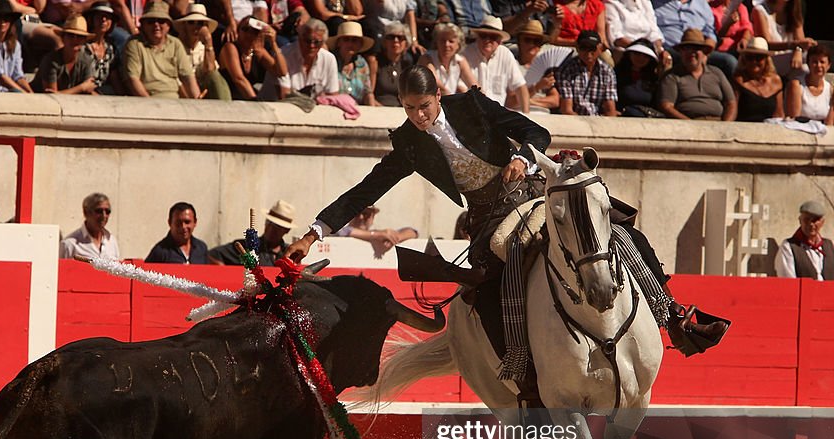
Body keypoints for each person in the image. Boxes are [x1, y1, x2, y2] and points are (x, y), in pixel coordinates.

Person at [285, 65, 725, 360]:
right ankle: (519, 367)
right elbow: (366, 189)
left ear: (438, 95)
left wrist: (526, 159)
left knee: (610, 226)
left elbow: (536, 129)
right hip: (489, 217)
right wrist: (313, 231)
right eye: (409, 109)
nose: (418, 116)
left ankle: (671, 311)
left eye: (424, 106)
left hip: (532, 190)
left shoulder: (472, 106)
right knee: (485, 289)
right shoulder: (408, 143)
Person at [124, 1, 200, 98]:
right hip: (147, 102)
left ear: (168, 25)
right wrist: (151, 104)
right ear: (143, 25)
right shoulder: (134, 44)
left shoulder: (175, 44)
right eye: (151, 21)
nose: (156, 25)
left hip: (175, 101)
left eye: (161, 21)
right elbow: (133, 80)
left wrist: (198, 101)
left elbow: (188, 78)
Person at [657, 28, 735, 121]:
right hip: (686, 127)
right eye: (687, 48)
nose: (691, 53)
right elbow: (667, 106)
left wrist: (726, 126)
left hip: (718, 124)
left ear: (703, 52)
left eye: (696, 48)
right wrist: (691, 125)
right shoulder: (672, 76)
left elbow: (731, 103)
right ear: (681, 52)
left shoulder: (717, 73)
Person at [462, 16, 528, 112]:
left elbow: (520, 87)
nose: (487, 40)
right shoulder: (466, 54)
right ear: (477, 37)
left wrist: (527, 114)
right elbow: (461, 89)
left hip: (497, 115)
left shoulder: (506, 54)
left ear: (500, 41)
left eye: (493, 37)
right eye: (483, 35)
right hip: (470, 112)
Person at [262, 18, 338, 100]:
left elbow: (332, 97)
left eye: (316, 42)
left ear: (323, 42)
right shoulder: (283, 55)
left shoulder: (329, 59)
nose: (312, 46)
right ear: (299, 38)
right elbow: (284, 96)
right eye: (308, 41)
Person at [219, 16, 287, 100]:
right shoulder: (230, 48)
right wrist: (256, 101)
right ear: (238, 32)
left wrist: (273, 43)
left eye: (254, 31)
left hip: (246, 100)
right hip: (227, 99)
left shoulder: (258, 51)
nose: (249, 34)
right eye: (245, 29)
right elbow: (239, 79)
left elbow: (281, 72)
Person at [210, 199, 295, 265]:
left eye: (277, 226)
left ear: (287, 230)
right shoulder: (246, 246)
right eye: (269, 223)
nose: (271, 228)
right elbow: (213, 254)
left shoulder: (291, 252)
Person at [175, 3, 232, 100]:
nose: (195, 26)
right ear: (184, 25)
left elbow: (211, 72)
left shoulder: (203, 48)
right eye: (191, 22)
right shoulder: (175, 46)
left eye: (200, 23)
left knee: (215, 77)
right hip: (181, 93)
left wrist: (208, 42)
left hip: (203, 94)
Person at [515, 19, 571, 114]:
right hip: (518, 114)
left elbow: (555, 100)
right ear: (519, 42)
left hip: (543, 115)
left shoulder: (543, 66)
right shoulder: (513, 65)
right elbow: (511, 101)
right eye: (527, 40)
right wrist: (537, 87)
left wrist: (528, 101)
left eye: (537, 41)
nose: (532, 45)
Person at [557, 29, 618, 116]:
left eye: (592, 48)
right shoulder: (566, 70)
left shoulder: (607, 72)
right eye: (584, 48)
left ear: (600, 49)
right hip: (574, 121)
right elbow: (567, 109)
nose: (588, 53)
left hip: (599, 121)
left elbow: (610, 109)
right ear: (577, 48)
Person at [36, 15, 97, 93]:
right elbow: (52, 95)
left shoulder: (86, 60)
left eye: (80, 36)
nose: (75, 40)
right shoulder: (51, 60)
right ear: (63, 38)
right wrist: (81, 88)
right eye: (70, 35)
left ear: (84, 41)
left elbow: (88, 89)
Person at [775, 201, 831, 279]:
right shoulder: (789, 247)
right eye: (807, 219)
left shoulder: (829, 246)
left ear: (822, 222)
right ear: (800, 220)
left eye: (815, 220)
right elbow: (788, 282)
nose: (811, 224)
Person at [335, 205, 419, 258]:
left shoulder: (381, 235)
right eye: (356, 213)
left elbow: (413, 232)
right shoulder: (338, 232)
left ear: (373, 217)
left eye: (366, 214)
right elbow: (343, 231)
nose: (360, 217)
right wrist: (375, 235)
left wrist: (396, 237)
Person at [733, 37, 783, 122]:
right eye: (750, 57)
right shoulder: (738, 80)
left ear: (766, 60)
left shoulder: (776, 81)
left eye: (759, 57)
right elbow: (733, 111)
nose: (754, 61)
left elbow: (779, 114)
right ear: (744, 59)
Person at [418, 21, 475, 94]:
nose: (446, 44)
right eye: (442, 40)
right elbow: (437, 87)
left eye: (451, 41)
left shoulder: (460, 61)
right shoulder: (427, 58)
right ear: (437, 42)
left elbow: (474, 86)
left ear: (458, 45)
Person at [366, 21, 415, 107]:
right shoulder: (375, 62)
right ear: (384, 42)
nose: (395, 40)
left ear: (406, 43)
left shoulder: (407, 66)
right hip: (378, 110)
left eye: (400, 37)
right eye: (391, 37)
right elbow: (368, 95)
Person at [60, 192, 120, 259]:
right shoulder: (70, 244)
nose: (104, 216)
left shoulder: (111, 241)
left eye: (107, 211)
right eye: (99, 211)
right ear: (86, 212)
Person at [145, 201, 210, 263]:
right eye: (178, 223)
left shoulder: (201, 248)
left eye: (187, 222)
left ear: (195, 222)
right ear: (170, 223)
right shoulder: (160, 251)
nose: (183, 227)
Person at [330, 20, 376, 105]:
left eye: (354, 40)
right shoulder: (331, 61)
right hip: (334, 108)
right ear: (339, 43)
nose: (350, 44)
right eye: (346, 39)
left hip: (357, 110)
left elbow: (368, 92)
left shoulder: (362, 64)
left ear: (360, 44)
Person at [785, 45, 833, 125]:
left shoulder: (830, 90)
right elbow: (794, 119)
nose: (818, 66)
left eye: (822, 62)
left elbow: (830, 124)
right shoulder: (796, 86)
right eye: (814, 62)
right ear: (808, 64)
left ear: (828, 65)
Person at [614, 38, 661, 116]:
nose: (640, 58)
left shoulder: (653, 79)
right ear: (629, 54)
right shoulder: (615, 74)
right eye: (637, 54)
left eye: (645, 56)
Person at [83, 2, 121, 94]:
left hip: (105, 92)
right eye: (99, 16)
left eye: (107, 17)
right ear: (91, 19)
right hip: (84, 93)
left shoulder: (111, 48)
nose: (103, 19)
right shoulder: (83, 46)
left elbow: (114, 77)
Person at [708, 0, 752, 79]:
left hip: (739, 48)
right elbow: (713, 37)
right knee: (730, 61)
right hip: (721, 49)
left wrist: (745, 39)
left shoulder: (740, 7)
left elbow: (747, 27)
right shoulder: (710, 8)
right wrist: (727, 24)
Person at [489, 0, 558, 36]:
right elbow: (504, 30)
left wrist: (557, 23)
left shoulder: (547, 1)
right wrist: (527, 11)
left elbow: (551, 37)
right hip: (513, 43)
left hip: (540, 43)